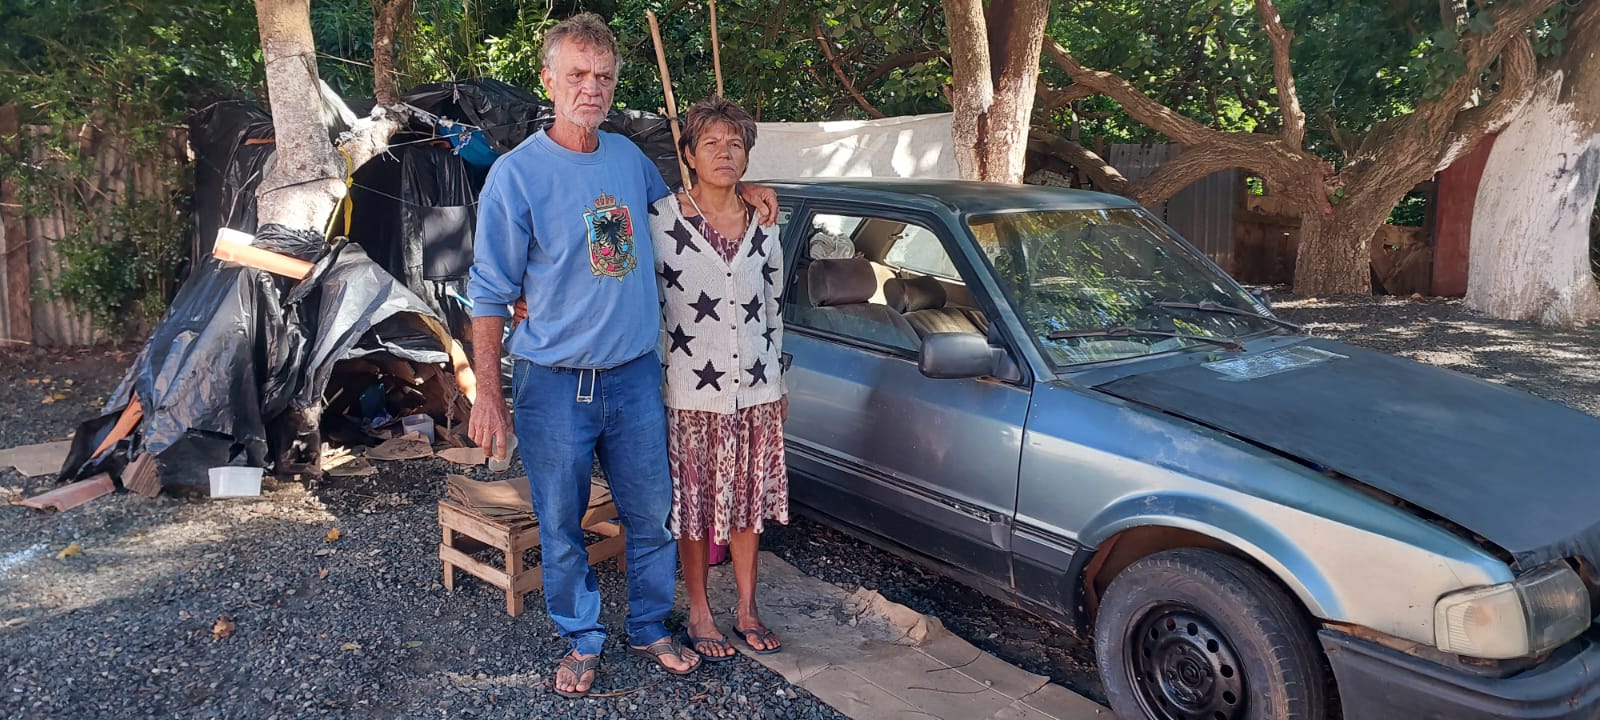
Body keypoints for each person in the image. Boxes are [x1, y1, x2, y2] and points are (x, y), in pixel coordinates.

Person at [466, 13, 775, 698]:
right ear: (548, 80)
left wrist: (743, 194)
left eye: (603, 77)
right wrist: (488, 394)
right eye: (576, 75)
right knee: (561, 519)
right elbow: (488, 293)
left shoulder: (629, 161)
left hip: (635, 377)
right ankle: (581, 637)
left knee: (651, 514)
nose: (591, 88)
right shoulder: (517, 177)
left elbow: (686, 224)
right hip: (553, 382)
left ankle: (648, 624)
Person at [649, 96, 789, 662]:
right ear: (688, 154)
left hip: (755, 391)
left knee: (747, 503)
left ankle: (748, 607)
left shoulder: (764, 222)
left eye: (735, 144)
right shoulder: (662, 220)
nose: (724, 153)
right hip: (689, 393)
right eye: (710, 143)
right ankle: (701, 612)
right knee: (696, 506)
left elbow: (775, 310)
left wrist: (778, 386)